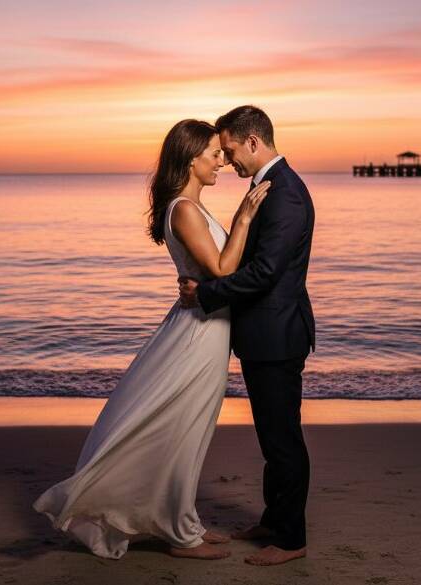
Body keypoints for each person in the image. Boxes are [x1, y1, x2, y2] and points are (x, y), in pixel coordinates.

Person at [32, 119, 270, 560]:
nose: (222, 160)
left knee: (189, 429)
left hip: (209, 330)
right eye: (214, 153)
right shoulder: (183, 209)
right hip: (198, 335)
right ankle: (180, 535)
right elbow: (220, 271)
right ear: (191, 158)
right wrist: (244, 218)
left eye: (222, 152)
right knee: (181, 427)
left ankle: (184, 522)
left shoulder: (191, 207)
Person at [178, 105, 316, 567]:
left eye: (232, 150)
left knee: (283, 439)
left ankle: (291, 538)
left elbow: (265, 272)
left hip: (277, 336)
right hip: (263, 333)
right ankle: (273, 520)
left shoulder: (287, 195)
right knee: (270, 436)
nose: (229, 161)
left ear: (253, 142)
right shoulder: (269, 189)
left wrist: (207, 292)